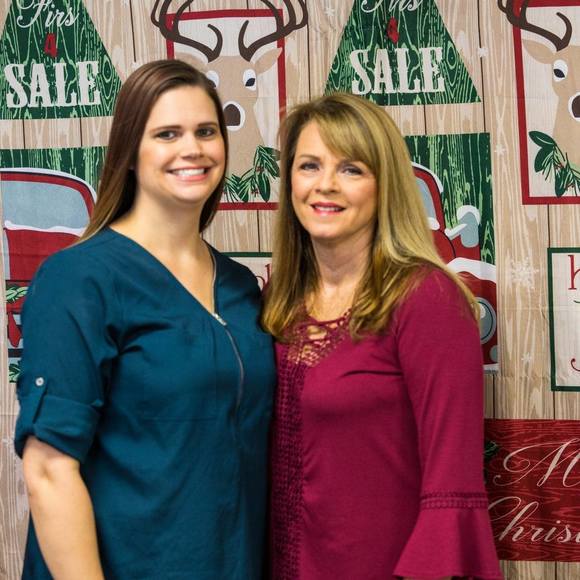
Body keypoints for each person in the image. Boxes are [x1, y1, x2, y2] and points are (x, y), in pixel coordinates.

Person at [14, 59, 275, 580]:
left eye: (206, 131)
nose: (192, 149)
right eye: (167, 134)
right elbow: (48, 469)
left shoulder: (240, 287)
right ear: (130, 153)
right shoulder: (78, 280)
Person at [263, 93, 503, 580]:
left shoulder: (427, 297)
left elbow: (451, 484)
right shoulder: (279, 301)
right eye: (309, 165)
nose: (325, 185)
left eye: (351, 169)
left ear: (385, 185)